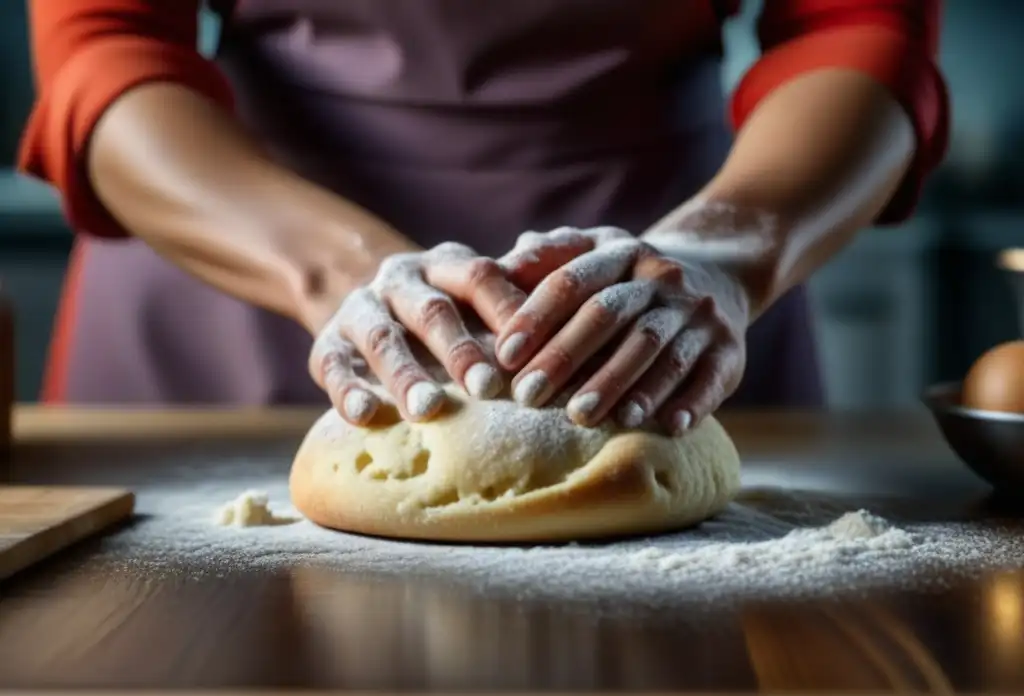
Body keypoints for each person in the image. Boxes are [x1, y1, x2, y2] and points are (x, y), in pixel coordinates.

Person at [20, 0, 948, 434]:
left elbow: (854, 24)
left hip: (664, 302)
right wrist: (342, 274)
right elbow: (104, 46)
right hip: (241, 254)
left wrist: (725, 249)